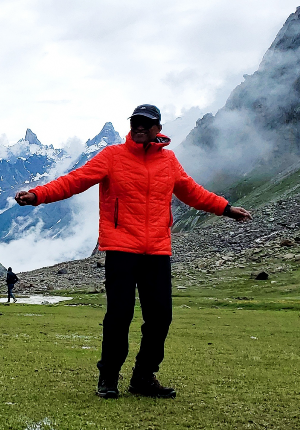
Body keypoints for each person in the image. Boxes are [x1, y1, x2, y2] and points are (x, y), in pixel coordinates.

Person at [15, 104, 251, 400]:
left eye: (145, 123)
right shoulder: (113, 156)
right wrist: (37, 195)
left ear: (157, 129)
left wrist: (226, 209)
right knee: (119, 315)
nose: (138, 127)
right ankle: (108, 377)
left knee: (161, 316)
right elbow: (75, 180)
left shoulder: (169, 161)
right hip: (121, 248)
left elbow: (192, 191)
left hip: (157, 251)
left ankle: (143, 376)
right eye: (135, 122)